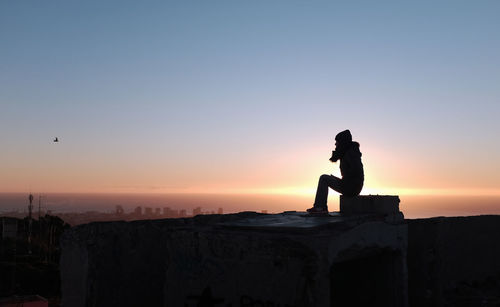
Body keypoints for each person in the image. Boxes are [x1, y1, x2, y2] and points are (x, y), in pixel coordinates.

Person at [307, 130, 364, 213]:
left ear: (342, 142)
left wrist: (343, 181)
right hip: (350, 186)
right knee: (325, 178)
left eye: (337, 141)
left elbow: (356, 170)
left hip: (351, 188)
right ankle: (320, 207)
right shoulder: (347, 152)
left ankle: (320, 207)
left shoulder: (350, 153)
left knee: (324, 178)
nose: (335, 144)